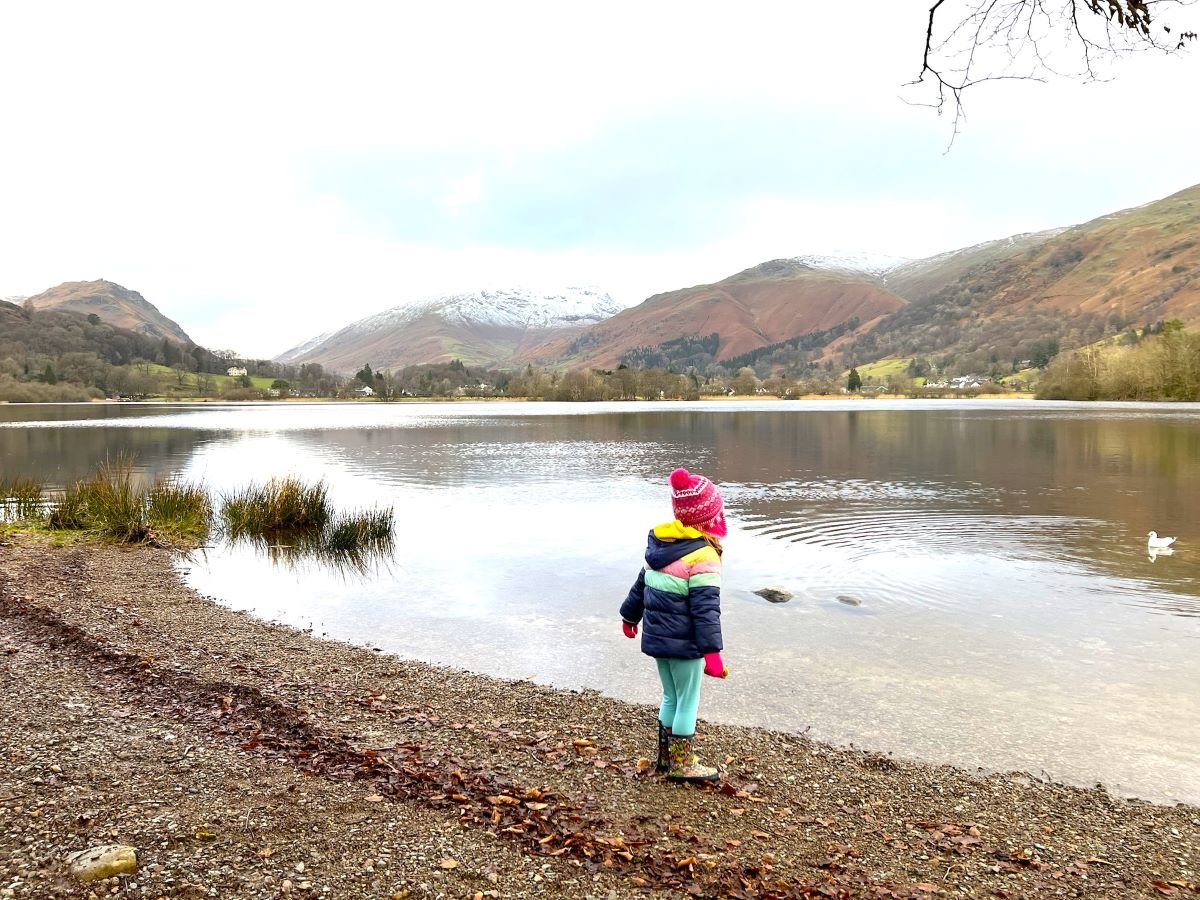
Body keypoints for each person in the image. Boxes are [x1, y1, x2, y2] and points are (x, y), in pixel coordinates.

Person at [620, 467, 729, 782]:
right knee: (688, 700)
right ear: (711, 517)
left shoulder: (661, 545)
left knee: (670, 696)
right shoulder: (703, 556)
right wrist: (712, 654)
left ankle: (665, 759)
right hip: (685, 645)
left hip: (658, 641)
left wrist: (629, 617)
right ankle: (683, 765)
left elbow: (641, 586)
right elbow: (706, 609)